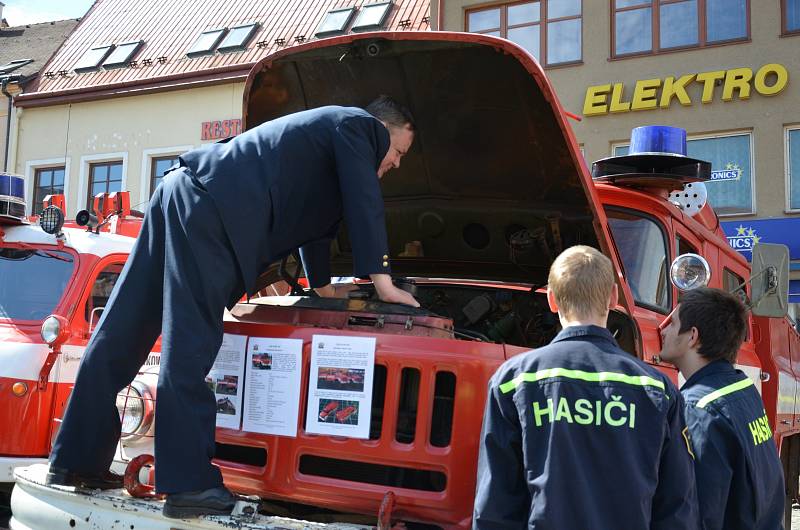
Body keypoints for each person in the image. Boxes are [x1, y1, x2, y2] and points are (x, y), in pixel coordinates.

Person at [47, 96, 420, 519]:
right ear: (382, 129)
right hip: (210, 210)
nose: (396, 164)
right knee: (190, 343)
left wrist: (320, 288)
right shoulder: (357, 124)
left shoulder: (323, 148)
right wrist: (383, 281)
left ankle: (75, 459)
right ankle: (188, 484)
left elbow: (314, 229)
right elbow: (364, 200)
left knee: (123, 328)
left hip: (180, 193)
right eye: (399, 151)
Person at [473, 245, 698, 529]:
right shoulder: (656, 388)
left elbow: (496, 503)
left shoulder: (514, 380)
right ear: (613, 298)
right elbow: (677, 505)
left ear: (552, 300)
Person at [658, 287, 784, 530]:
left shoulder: (698, 410)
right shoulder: (743, 390)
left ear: (692, 336)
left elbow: (699, 514)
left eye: (672, 324)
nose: (663, 330)